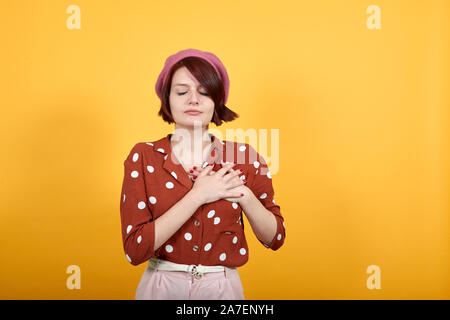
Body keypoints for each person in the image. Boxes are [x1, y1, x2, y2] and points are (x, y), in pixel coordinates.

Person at [119, 48, 286, 300]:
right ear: (167, 99)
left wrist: (243, 194)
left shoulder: (245, 157)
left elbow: (275, 238)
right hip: (161, 287)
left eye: (204, 92)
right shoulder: (143, 156)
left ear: (216, 100)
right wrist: (198, 195)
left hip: (222, 290)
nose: (193, 100)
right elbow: (134, 250)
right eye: (182, 91)